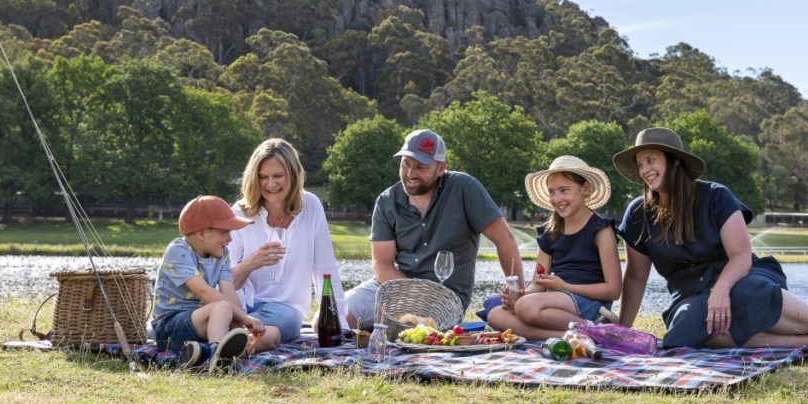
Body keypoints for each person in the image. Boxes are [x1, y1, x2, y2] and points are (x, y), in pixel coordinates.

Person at [613, 127, 808, 349]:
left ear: (674, 161)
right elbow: (636, 275)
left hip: (740, 276)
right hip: (689, 294)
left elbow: (741, 256)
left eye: (651, 160)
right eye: (640, 164)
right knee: (688, 334)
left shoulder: (716, 196)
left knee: (747, 295)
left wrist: (720, 292)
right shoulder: (637, 213)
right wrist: (621, 330)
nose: (644, 169)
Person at [344, 128, 524, 330]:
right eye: (406, 164)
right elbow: (382, 265)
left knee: (415, 335)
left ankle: (385, 332)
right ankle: (370, 344)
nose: (411, 174)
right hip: (396, 291)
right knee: (334, 315)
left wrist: (516, 288)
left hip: (445, 298)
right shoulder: (387, 201)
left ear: (440, 169)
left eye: (421, 167)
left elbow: (505, 239)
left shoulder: (464, 188)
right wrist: (413, 294)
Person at [228, 139, 349, 348]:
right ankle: (235, 339)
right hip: (240, 307)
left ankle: (232, 341)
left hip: (286, 311)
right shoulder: (239, 212)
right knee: (224, 313)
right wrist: (250, 263)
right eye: (263, 177)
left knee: (287, 319)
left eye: (278, 176)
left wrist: (342, 326)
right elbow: (224, 283)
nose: (270, 184)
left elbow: (326, 271)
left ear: (293, 175)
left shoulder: (310, 205)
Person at [487, 155, 622, 340]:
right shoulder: (550, 231)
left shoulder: (600, 230)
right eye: (552, 192)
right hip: (559, 301)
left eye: (564, 190)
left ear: (585, 189)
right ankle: (571, 335)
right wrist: (520, 294)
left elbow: (613, 290)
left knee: (526, 307)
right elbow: (539, 283)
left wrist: (565, 286)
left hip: (590, 303)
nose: (557, 198)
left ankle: (593, 328)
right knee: (495, 314)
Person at [150, 195, 265, 372]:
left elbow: (229, 293)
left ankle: (202, 351)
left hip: (201, 322)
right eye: (225, 232)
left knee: (272, 333)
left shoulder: (222, 254)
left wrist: (240, 330)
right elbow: (204, 292)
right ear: (201, 233)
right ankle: (218, 362)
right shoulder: (178, 250)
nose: (230, 239)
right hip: (169, 327)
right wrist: (245, 318)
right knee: (222, 307)